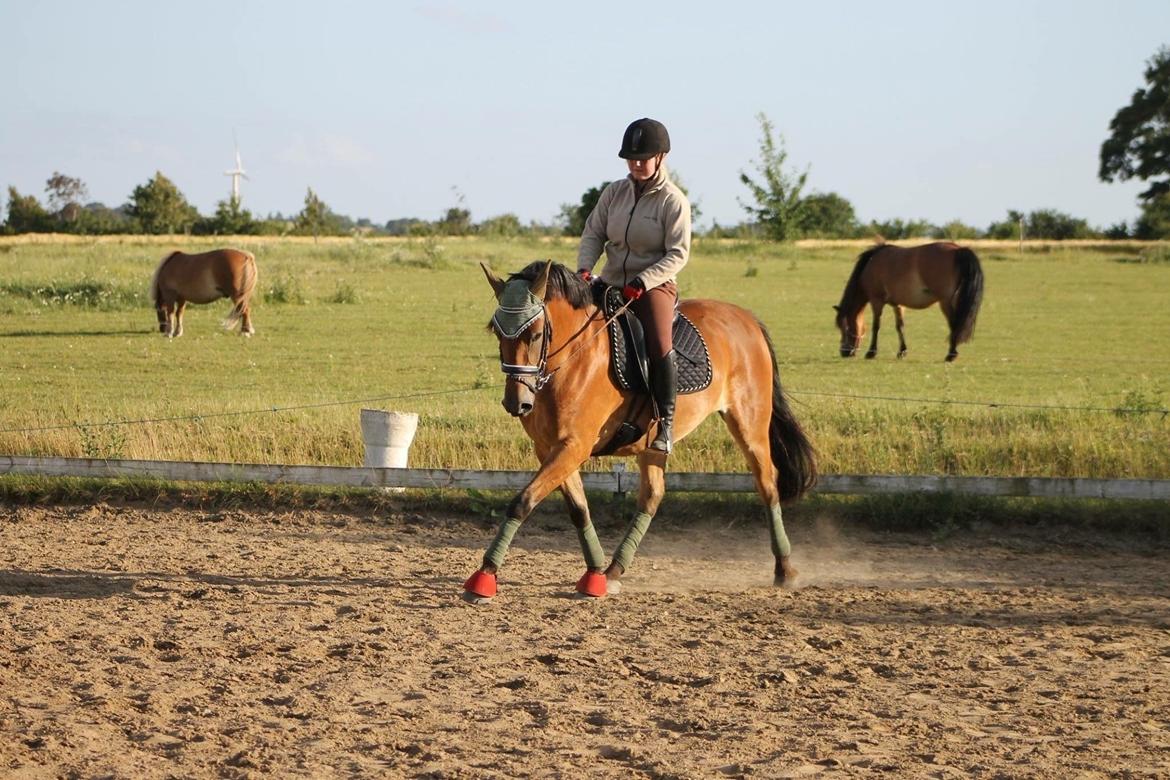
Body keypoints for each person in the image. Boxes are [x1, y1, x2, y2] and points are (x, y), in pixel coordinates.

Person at [576, 117, 692, 453]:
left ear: (661, 157)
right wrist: (585, 268)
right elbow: (594, 233)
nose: (637, 164)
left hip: (653, 287)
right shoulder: (614, 192)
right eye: (631, 158)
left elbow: (678, 253)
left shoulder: (673, 201)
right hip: (610, 281)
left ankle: (665, 424)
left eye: (643, 158)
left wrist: (644, 281)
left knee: (658, 344)